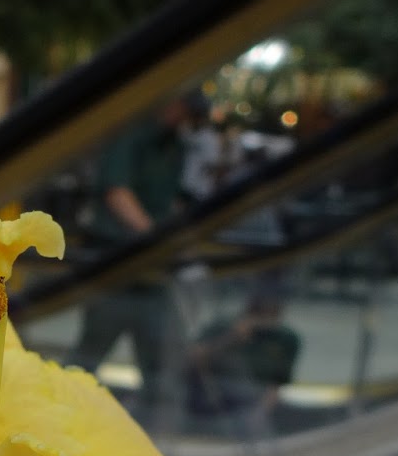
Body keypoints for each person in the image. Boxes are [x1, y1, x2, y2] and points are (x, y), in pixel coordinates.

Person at [72, 94, 196, 428]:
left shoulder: (175, 146)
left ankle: (148, 433)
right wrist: (156, 236)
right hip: (116, 264)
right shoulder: (131, 135)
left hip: (152, 272)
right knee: (88, 355)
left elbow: (168, 198)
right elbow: (117, 192)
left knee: (157, 363)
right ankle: (63, 423)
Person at [187, 279, 300, 430]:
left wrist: (260, 414)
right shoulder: (222, 327)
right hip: (208, 394)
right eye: (260, 312)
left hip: (251, 402)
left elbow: (277, 384)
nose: (265, 319)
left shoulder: (286, 339)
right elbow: (191, 361)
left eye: (272, 312)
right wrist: (231, 339)